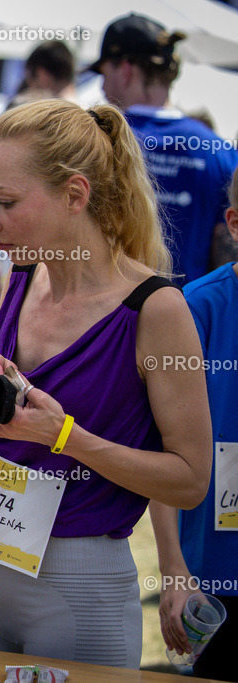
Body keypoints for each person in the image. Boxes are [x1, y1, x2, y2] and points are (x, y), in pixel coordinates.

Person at [0, 98, 211, 668]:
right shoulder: (22, 277)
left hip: (82, 586)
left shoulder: (155, 308)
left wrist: (65, 436)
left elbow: (191, 480)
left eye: (5, 202)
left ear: (75, 195)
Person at [150, 167, 238, 682]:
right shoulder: (195, 309)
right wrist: (174, 570)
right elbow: (164, 451)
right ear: (233, 223)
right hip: (217, 571)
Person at [90, 13, 238, 284]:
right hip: (190, 307)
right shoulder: (220, 151)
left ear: (125, 70)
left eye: (104, 72)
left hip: (109, 308)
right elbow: (227, 260)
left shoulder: (95, 141)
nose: (102, 84)